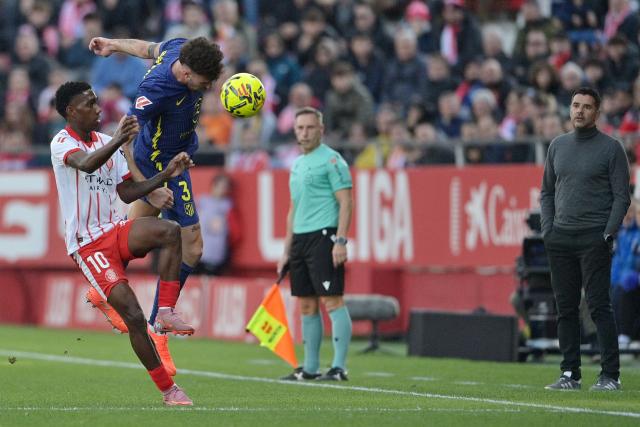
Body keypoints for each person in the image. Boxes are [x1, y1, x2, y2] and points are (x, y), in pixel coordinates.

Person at [50, 81, 193, 405]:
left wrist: (167, 173)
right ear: (72, 111)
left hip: (114, 229)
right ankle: (168, 390)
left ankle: (167, 311)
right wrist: (118, 141)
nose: (99, 108)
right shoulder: (61, 142)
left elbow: (127, 192)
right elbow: (86, 164)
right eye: (90, 103)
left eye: (97, 101)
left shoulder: (104, 141)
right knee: (133, 316)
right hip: (88, 245)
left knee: (169, 231)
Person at [87, 36, 224, 363]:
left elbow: (147, 48)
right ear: (187, 75)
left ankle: (100, 288)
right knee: (193, 246)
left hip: (171, 161)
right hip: (162, 167)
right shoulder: (155, 91)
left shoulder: (179, 48)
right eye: (204, 84)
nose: (208, 88)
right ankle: (160, 324)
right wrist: (149, 186)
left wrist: (112, 44)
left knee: (129, 237)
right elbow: (124, 137)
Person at [541, 87, 630, 391]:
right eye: (576, 105)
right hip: (560, 238)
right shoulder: (557, 146)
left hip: (594, 237)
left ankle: (610, 375)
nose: (579, 111)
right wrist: (548, 229)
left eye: (587, 107)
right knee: (565, 308)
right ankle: (570, 374)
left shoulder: (611, 148)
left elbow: (622, 197)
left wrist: (607, 233)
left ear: (597, 112)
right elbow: (547, 193)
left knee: (598, 306)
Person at [277, 107, 353, 381]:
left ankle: (339, 367)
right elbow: (293, 208)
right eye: (300, 128)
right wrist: (286, 250)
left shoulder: (332, 161)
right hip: (300, 240)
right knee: (306, 305)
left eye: (310, 128)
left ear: (321, 130)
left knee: (332, 300)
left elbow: (346, 202)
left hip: (324, 236)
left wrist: (340, 241)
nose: (304, 133)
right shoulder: (297, 164)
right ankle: (309, 368)